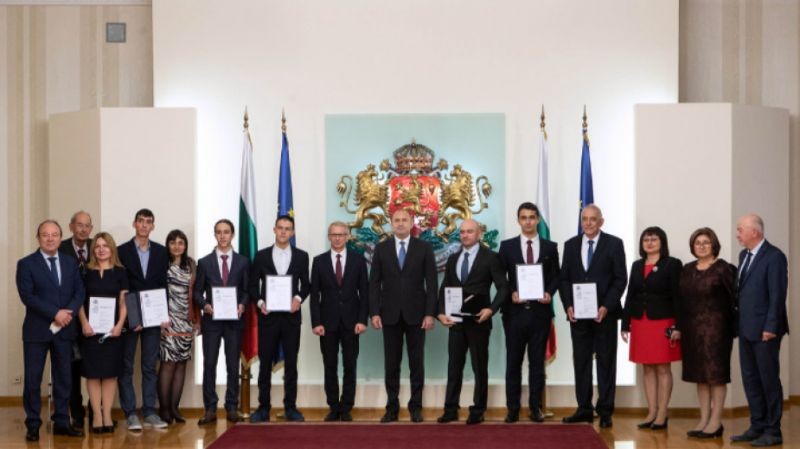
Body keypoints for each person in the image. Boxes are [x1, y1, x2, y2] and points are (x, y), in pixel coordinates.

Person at [16, 220, 85, 441]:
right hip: (36, 331)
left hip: (64, 330)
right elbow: (28, 296)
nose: (50, 238)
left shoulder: (70, 262)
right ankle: (33, 424)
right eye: (45, 235)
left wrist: (68, 313)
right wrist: (55, 313)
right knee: (33, 379)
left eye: (55, 235)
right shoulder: (26, 264)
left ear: (60, 237)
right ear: (38, 238)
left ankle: (62, 421)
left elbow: (79, 292)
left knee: (64, 378)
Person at [559, 204, 627, 428]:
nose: (588, 223)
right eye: (584, 219)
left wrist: (606, 306)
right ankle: (584, 409)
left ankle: (605, 410)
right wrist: (568, 305)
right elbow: (564, 278)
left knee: (606, 362)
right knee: (581, 362)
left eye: (593, 219)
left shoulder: (614, 244)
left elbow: (620, 279)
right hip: (578, 316)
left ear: (601, 221)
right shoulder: (570, 245)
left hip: (604, 315)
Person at [436, 219, 508, 425]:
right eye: (462, 232)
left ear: (478, 234)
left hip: (479, 321)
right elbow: (445, 287)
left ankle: (478, 410)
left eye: (469, 231)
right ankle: (450, 409)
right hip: (456, 322)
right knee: (454, 367)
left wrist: (491, 309)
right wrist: (440, 312)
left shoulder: (491, 257)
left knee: (479, 367)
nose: (465, 235)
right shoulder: (453, 259)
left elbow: (504, 287)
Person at [369, 208, 438, 423]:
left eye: (404, 220)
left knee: (417, 364)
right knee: (392, 364)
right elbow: (374, 284)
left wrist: (430, 314)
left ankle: (415, 407)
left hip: (417, 315)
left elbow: (432, 283)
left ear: (411, 223)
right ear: (391, 223)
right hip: (389, 315)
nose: (400, 223)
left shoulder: (424, 248)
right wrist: (374, 312)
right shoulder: (381, 249)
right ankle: (392, 408)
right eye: (396, 220)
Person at [498, 202, 560, 423]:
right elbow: (500, 278)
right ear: (518, 220)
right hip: (514, 314)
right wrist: (512, 292)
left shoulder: (550, 247)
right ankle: (513, 409)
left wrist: (549, 292)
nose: (528, 221)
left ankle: (535, 408)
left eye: (532, 217)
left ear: (538, 220)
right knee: (513, 363)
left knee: (537, 364)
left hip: (540, 314)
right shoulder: (507, 247)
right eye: (524, 217)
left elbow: (556, 276)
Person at [730, 215, 788, 447]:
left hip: (765, 331)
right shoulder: (744, 255)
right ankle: (757, 425)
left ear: (754, 231)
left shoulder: (774, 256)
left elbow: (777, 295)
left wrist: (771, 326)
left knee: (768, 380)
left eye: (740, 230)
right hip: (746, 328)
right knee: (751, 379)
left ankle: (773, 430)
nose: (737, 234)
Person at [249, 215, 310, 423]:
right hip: (268, 318)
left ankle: (290, 407)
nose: (284, 232)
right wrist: (260, 303)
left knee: (291, 364)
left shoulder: (302, 256)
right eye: (280, 228)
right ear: (274, 230)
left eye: (288, 228)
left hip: (291, 319)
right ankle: (263, 408)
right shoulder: (261, 256)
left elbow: (306, 285)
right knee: (264, 364)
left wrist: (298, 299)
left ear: (292, 233)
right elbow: (252, 286)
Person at [621, 227, 682, 430]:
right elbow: (630, 295)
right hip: (640, 322)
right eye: (646, 239)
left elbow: (678, 297)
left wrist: (678, 325)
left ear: (662, 242)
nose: (649, 243)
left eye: (654, 239)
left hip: (663, 322)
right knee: (646, 367)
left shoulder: (672, 264)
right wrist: (625, 323)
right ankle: (651, 412)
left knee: (663, 368)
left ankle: (662, 413)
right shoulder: (637, 265)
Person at [679, 227, 736, 439]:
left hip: (717, 331)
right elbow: (681, 300)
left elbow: (735, 299)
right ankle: (704, 419)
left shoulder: (724, 268)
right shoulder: (687, 269)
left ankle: (716, 421)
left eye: (706, 242)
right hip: (691, 330)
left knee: (716, 376)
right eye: (697, 243)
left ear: (714, 245)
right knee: (700, 376)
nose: (701, 246)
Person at [309, 221, 369, 422]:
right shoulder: (319, 261)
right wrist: (316, 322)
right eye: (334, 234)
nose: (337, 238)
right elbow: (314, 295)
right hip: (327, 324)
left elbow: (365, 293)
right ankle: (334, 407)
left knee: (350, 366)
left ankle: (346, 407)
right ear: (329, 237)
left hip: (352, 323)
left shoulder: (358, 261)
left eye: (341, 234)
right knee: (330, 366)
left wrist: (362, 320)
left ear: (347, 236)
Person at [117, 208, 170, 430]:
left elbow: (163, 285)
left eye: (148, 222)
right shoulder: (121, 251)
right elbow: (121, 286)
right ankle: (130, 413)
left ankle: (149, 411)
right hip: (130, 316)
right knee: (126, 366)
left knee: (149, 366)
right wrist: (133, 317)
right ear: (134, 224)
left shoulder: (161, 252)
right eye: (141, 221)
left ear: (153, 226)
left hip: (154, 317)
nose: (144, 225)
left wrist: (164, 315)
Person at [194, 219, 249, 425]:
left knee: (232, 365)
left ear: (232, 234)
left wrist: (242, 305)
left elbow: (247, 291)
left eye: (226, 232)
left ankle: (231, 406)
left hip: (234, 321)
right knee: (209, 364)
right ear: (215, 234)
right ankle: (210, 408)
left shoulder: (243, 262)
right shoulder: (204, 262)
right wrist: (205, 305)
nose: (223, 236)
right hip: (212, 321)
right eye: (219, 232)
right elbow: (197, 292)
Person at [77, 232, 128, 434]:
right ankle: (96, 416)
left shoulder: (121, 272)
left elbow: (124, 302)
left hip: (112, 332)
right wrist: (84, 323)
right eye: (97, 246)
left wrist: (119, 325)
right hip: (90, 332)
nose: (101, 249)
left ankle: (107, 415)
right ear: (93, 250)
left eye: (105, 245)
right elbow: (79, 301)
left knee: (109, 375)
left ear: (111, 248)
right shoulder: (84, 271)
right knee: (92, 374)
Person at [158, 229, 198, 424]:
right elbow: (156, 291)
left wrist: (197, 320)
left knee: (181, 363)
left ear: (185, 245)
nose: (176, 246)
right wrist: (159, 317)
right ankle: (164, 409)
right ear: (168, 245)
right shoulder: (161, 264)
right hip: (167, 320)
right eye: (172, 242)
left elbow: (196, 293)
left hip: (186, 320)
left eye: (180, 242)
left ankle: (175, 408)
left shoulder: (191, 264)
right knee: (168, 364)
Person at [58, 210, 93, 429]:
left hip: (95, 319)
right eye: (79, 225)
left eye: (87, 225)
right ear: (71, 226)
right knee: (71, 369)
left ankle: (97, 412)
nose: (83, 229)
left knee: (95, 366)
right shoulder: (60, 248)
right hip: (68, 319)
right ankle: (76, 414)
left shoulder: (98, 246)